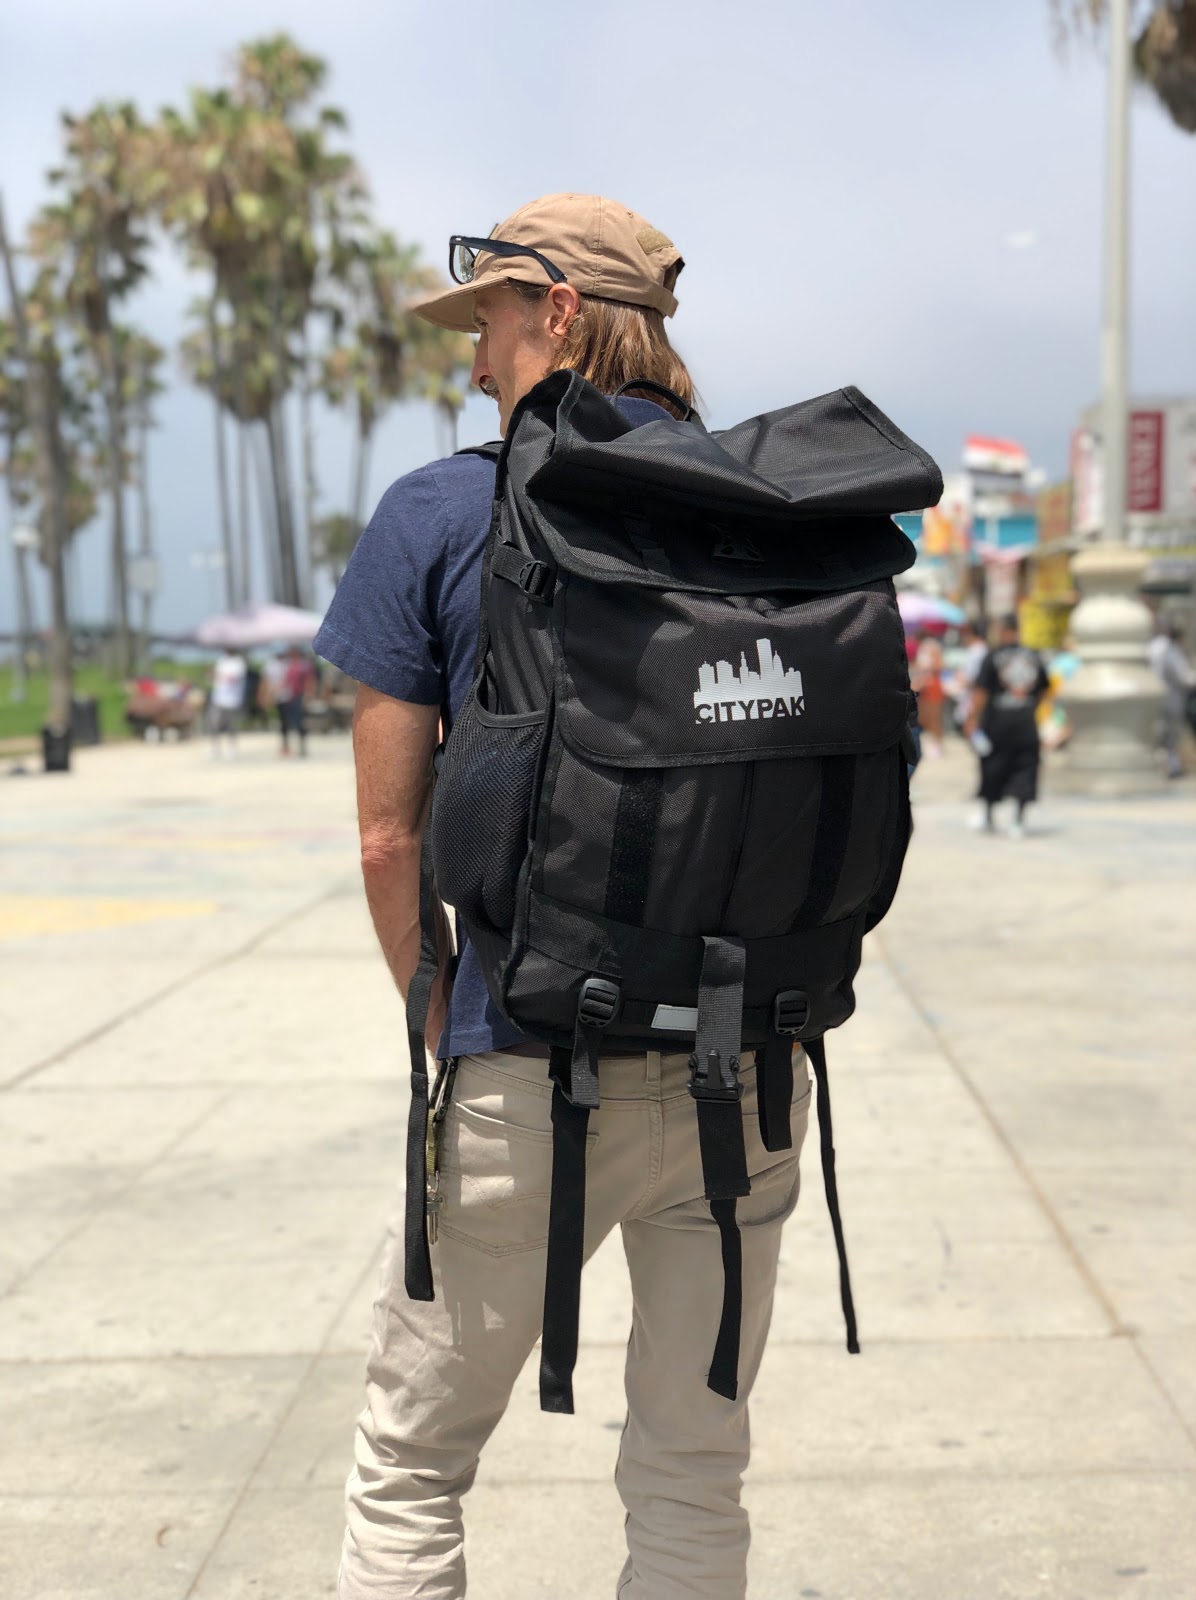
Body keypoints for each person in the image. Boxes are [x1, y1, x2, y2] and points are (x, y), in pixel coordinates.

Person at [313, 194, 808, 1600]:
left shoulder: (437, 511)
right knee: (692, 1471)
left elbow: (385, 840)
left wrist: (434, 1015)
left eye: (491, 321)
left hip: (522, 1065)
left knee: (411, 1469)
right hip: (746, 1073)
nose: (473, 359)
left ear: (565, 315)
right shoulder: (770, 514)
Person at [965, 613, 1050, 837]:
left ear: (1003, 630)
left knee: (993, 768)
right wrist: (1029, 707)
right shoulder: (1033, 656)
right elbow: (1044, 689)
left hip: (997, 723)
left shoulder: (993, 656)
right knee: (1026, 768)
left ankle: (989, 814)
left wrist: (972, 719)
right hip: (1025, 723)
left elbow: (981, 691)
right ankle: (1018, 821)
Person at [1148, 620, 1196, 779]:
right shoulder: (1169, 649)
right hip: (1170, 698)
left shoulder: (1152, 647)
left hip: (1154, 697)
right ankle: (1170, 767)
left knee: (1160, 733)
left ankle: (1164, 766)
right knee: (1169, 736)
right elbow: (1183, 676)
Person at [910, 629, 946, 756]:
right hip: (923, 684)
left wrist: (926, 668)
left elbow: (940, 664)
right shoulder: (922, 648)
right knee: (924, 716)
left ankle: (937, 744)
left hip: (933, 684)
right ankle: (933, 742)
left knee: (934, 716)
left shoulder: (932, 646)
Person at [951, 617, 989, 736]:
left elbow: (975, 679)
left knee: (973, 729)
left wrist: (960, 679)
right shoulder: (981, 649)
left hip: (974, 696)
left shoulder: (977, 651)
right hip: (973, 695)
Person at [207, 648, 245, 759]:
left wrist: (219, 676)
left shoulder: (239, 662)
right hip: (218, 698)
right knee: (214, 724)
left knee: (231, 726)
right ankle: (215, 748)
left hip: (232, 700)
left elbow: (233, 678)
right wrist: (212, 674)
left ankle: (232, 748)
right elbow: (215, 677)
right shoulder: (221, 661)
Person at [277, 645, 314, 757]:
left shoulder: (304, 666)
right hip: (288, 696)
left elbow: (310, 681)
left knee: (299, 722)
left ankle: (302, 747)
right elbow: (284, 681)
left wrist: (308, 696)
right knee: (285, 722)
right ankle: (286, 746)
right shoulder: (288, 665)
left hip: (299, 696)